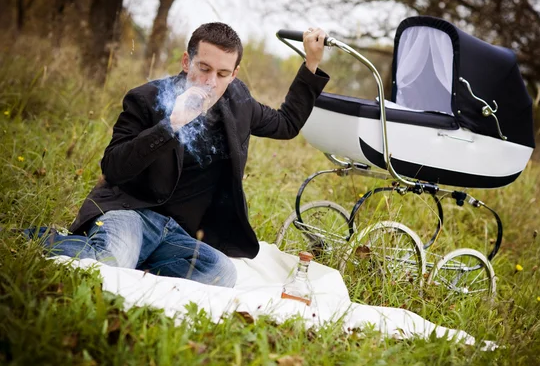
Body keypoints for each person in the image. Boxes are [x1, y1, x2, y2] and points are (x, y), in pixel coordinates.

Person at [28, 23, 329, 288]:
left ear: (234, 74)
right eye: (204, 68)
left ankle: (135, 266)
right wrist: (171, 124)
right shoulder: (146, 98)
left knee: (221, 273)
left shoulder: (239, 100)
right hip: (131, 213)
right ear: (187, 61)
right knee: (108, 261)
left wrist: (311, 64)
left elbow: (286, 124)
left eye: (223, 73)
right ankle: (38, 237)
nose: (211, 82)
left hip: (179, 233)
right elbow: (114, 168)